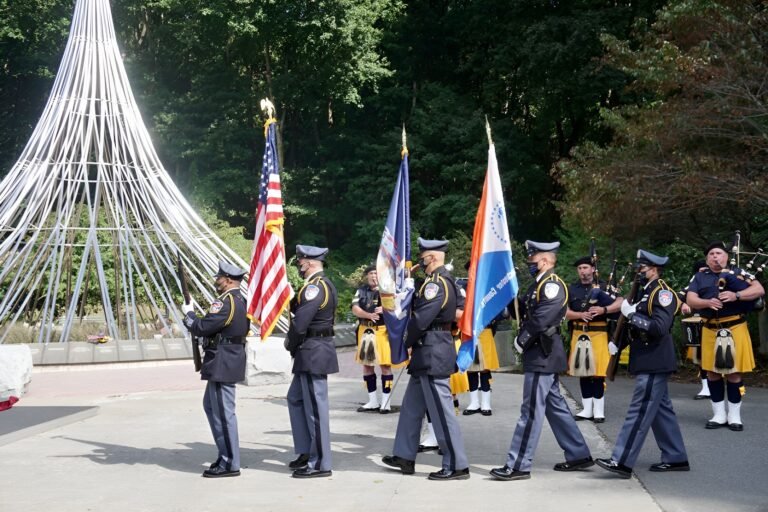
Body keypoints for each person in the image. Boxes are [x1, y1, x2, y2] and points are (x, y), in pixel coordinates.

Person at [490, 241, 593, 481]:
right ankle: (578, 454)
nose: (530, 266)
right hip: (540, 353)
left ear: (545, 262)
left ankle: (518, 465)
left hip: (542, 354)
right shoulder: (538, 285)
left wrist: (521, 340)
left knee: (532, 411)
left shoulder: (552, 286)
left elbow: (541, 320)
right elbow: (522, 310)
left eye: (532, 262)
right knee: (555, 407)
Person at [596, 249, 689, 479]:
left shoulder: (663, 293)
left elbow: (658, 327)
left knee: (638, 411)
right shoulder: (644, 293)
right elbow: (638, 330)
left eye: (642, 268)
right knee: (660, 410)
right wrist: (619, 344)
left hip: (654, 360)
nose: (638, 272)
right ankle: (675, 457)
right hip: (647, 358)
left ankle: (622, 461)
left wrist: (630, 315)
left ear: (654, 269)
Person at [382, 237, 470, 480]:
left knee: (441, 412)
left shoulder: (437, 284)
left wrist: (403, 341)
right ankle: (404, 456)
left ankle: (457, 464)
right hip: (426, 351)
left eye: (422, 256)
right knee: (411, 408)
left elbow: (421, 319)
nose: (419, 260)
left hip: (433, 350)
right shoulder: (432, 282)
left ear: (432, 258)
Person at [685, 241, 764, 431]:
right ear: (707, 258)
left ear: (726, 256)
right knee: (712, 373)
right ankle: (719, 415)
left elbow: (759, 289)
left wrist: (736, 295)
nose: (715, 256)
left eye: (718, 253)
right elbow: (690, 298)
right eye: (711, 253)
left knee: (734, 373)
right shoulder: (699, 276)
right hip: (710, 328)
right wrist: (705, 302)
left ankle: (734, 416)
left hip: (735, 327)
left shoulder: (739, 273)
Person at [182, 261, 249, 478]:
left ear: (229, 279)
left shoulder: (226, 301)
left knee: (223, 412)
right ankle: (225, 455)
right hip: (224, 358)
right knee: (211, 406)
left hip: (223, 360)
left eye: (219, 277)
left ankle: (230, 462)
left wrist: (190, 316)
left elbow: (204, 327)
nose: (216, 280)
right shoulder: (238, 299)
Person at [284, 245, 339, 478]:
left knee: (315, 409)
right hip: (312, 350)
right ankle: (306, 451)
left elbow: (301, 322)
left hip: (313, 350)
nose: (299, 264)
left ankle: (320, 463)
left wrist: (291, 342)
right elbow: (301, 311)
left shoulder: (316, 287)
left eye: (301, 261)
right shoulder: (315, 287)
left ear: (310, 263)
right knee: (295, 398)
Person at [565, 256, 622, 423]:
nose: (582, 271)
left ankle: (598, 411)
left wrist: (604, 309)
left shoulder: (605, 287)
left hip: (599, 334)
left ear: (592, 269)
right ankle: (586, 410)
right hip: (579, 333)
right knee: (583, 372)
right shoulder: (571, 289)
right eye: (580, 268)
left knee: (598, 373)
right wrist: (580, 314)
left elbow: (620, 303)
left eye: (585, 267)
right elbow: (564, 312)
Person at [351, 265, 403, 413]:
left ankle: (386, 402)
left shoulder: (388, 291)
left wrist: (387, 309)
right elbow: (355, 308)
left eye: (376, 274)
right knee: (367, 366)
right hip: (366, 330)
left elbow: (400, 309)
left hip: (382, 331)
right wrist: (368, 315)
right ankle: (372, 401)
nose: (374, 277)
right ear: (367, 276)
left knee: (385, 366)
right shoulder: (361, 290)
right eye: (371, 274)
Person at [457, 271, 501, 417]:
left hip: (485, 331)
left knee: (484, 370)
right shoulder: (462, 288)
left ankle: (486, 403)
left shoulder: (490, 289)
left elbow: (499, 313)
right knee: (471, 369)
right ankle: (474, 402)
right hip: (469, 333)